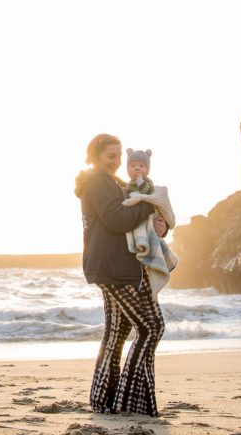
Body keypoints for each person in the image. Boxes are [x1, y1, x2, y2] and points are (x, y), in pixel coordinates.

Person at [74, 134, 168, 416]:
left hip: (113, 266)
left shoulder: (112, 183)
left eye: (118, 156)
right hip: (114, 268)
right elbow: (117, 219)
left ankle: (104, 400)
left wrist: (160, 224)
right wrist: (149, 204)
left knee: (117, 333)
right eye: (110, 156)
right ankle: (131, 401)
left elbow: (136, 221)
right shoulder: (98, 183)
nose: (115, 161)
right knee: (152, 327)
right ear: (96, 156)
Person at [121, 148, 178, 295]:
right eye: (133, 166)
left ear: (147, 170)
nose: (137, 169)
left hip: (150, 220)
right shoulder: (125, 187)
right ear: (127, 169)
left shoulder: (147, 184)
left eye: (141, 166)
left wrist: (163, 228)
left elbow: (148, 195)